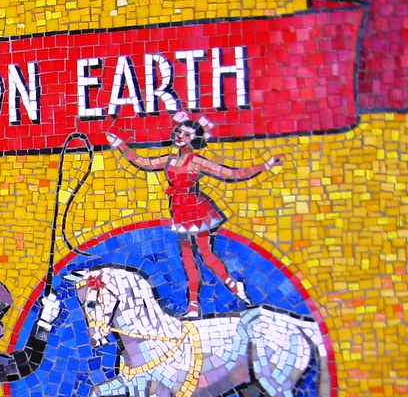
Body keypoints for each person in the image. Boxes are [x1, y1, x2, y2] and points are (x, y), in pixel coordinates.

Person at [106, 117, 281, 318]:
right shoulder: (170, 160)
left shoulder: (196, 161)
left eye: (187, 134)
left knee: (206, 255)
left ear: (195, 139)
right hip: (179, 212)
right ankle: (193, 305)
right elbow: (142, 162)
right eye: (179, 132)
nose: (180, 136)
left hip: (197, 211)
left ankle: (233, 285)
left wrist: (264, 166)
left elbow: (229, 174)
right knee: (188, 260)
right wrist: (121, 145)